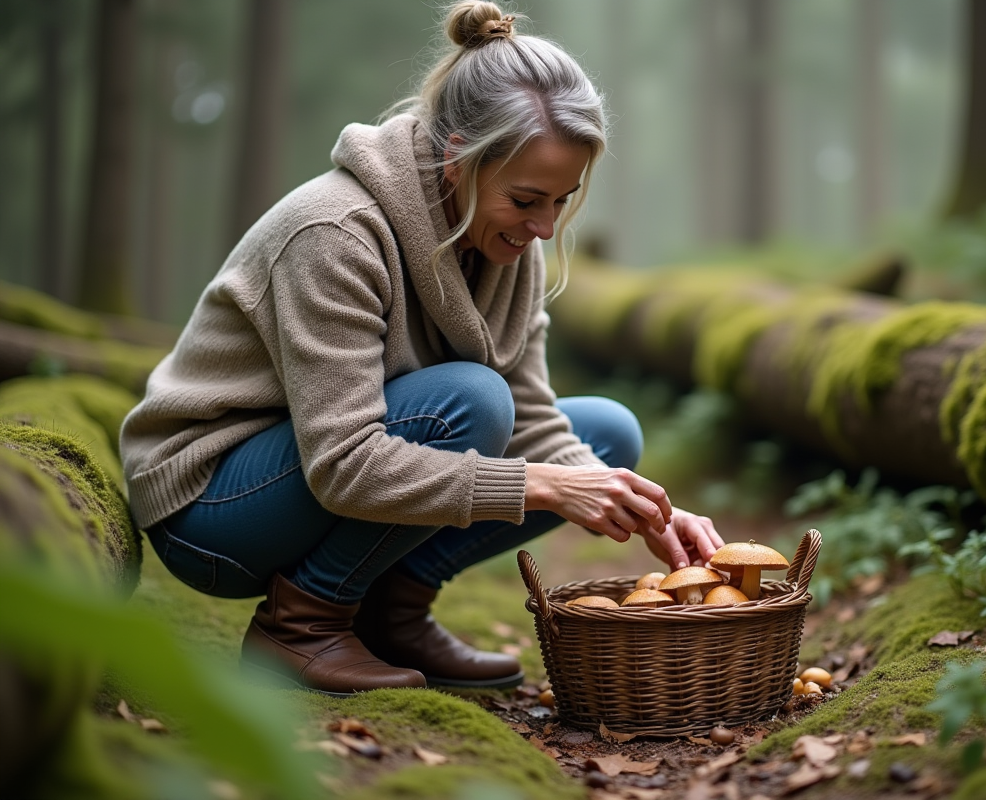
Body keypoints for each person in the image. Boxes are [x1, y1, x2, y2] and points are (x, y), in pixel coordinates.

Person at [119, 1, 724, 697]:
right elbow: (344, 465)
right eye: (527, 200)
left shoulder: (502, 243)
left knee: (608, 439)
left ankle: (389, 611)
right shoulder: (334, 234)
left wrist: (647, 508)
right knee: (471, 403)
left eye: (562, 200)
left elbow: (533, 411)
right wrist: (546, 485)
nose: (546, 228)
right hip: (216, 511)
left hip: (319, 484)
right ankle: (302, 627)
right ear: (455, 158)